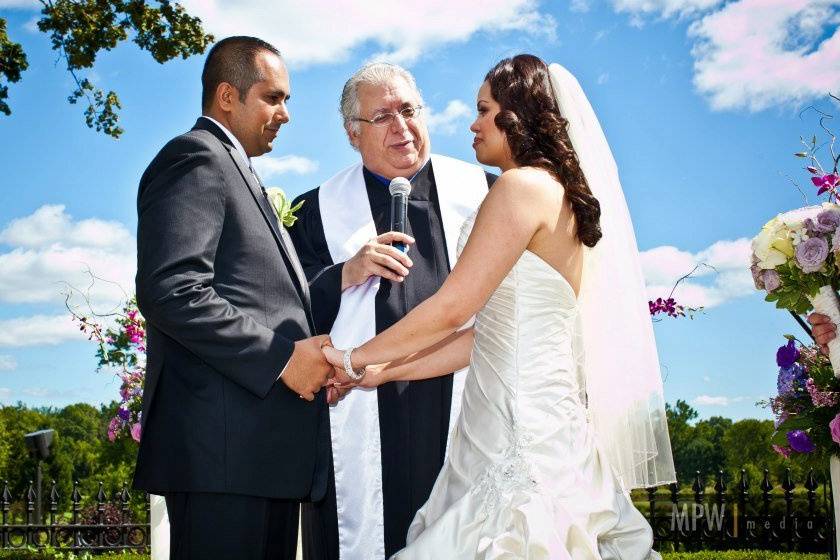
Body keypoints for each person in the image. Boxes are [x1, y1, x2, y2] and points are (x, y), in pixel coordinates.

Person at [324, 54, 676, 558]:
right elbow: (478, 336)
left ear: (518, 114)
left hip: (520, 427)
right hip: (530, 417)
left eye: (484, 109)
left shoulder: (519, 188)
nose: (473, 122)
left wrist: (353, 357)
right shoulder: (555, 193)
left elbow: (452, 308)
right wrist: (378, 372)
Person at [133, 36, 334, 560]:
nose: (285, 114)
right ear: (227, 95)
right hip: (222, 459)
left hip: (259, 458)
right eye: (273, 97)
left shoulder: (238, 168)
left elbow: (263, 295)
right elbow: (172, 290)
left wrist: (343, 276)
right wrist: (284, 359)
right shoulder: (195, 157)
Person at [288, 62, 494, 559]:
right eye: (382, 117)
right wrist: (345, 272)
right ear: (352, 134)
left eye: (408, 110)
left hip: (466, 400)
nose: (402, 128)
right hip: (356, 415)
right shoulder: (315, 211)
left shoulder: (489, 195)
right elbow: (286, 311)